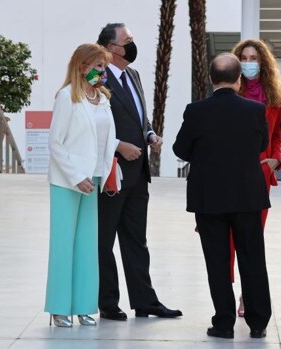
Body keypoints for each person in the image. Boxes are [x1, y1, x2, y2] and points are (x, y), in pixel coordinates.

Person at [173, 53, 271, 339]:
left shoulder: (195, 110)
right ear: (239, 80)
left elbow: (181, 149)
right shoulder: (254, 110)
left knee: (216, 262)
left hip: (209, 197)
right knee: (253, 259)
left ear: (212, 79)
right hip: (247, 196)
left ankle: (224, 322)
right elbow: (262, 144)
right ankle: (258, 322)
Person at [96, 23, 181, 320]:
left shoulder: (133, 75)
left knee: (136, 240)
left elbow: (140, 118)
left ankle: (145, 300)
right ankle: (107, 302)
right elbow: (92, 122)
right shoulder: (97, 77)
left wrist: (149, 135)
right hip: (112, 172)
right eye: (127, 41)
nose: (132, 46)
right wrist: (119, 146)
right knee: (104, 241)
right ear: (110, 48)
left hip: (138, 173)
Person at [45, 43, 118, 327]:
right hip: (68, 181)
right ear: (81, 66)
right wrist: (76, 175)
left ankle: (86, 305)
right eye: (97, 66)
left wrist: (107, 170)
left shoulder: (103, 98)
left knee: (88, 246)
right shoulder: (67, 97)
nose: (102, 72)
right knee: (64, 245)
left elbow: (106, 140)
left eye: (104, 66)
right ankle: (60, 307)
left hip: (95, 180)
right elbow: (55, 143)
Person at [230, 39, 281, 317]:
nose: (249, 62)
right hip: (229, 174)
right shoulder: (229, 91)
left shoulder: (274, 96)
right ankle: (225, 295)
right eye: (244, 57)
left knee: (252, 240)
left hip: (260, 174)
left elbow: (277, 135)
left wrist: (276, 158)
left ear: (263, 62)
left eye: (254, 57)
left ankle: (247, 296)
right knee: (227, 239)